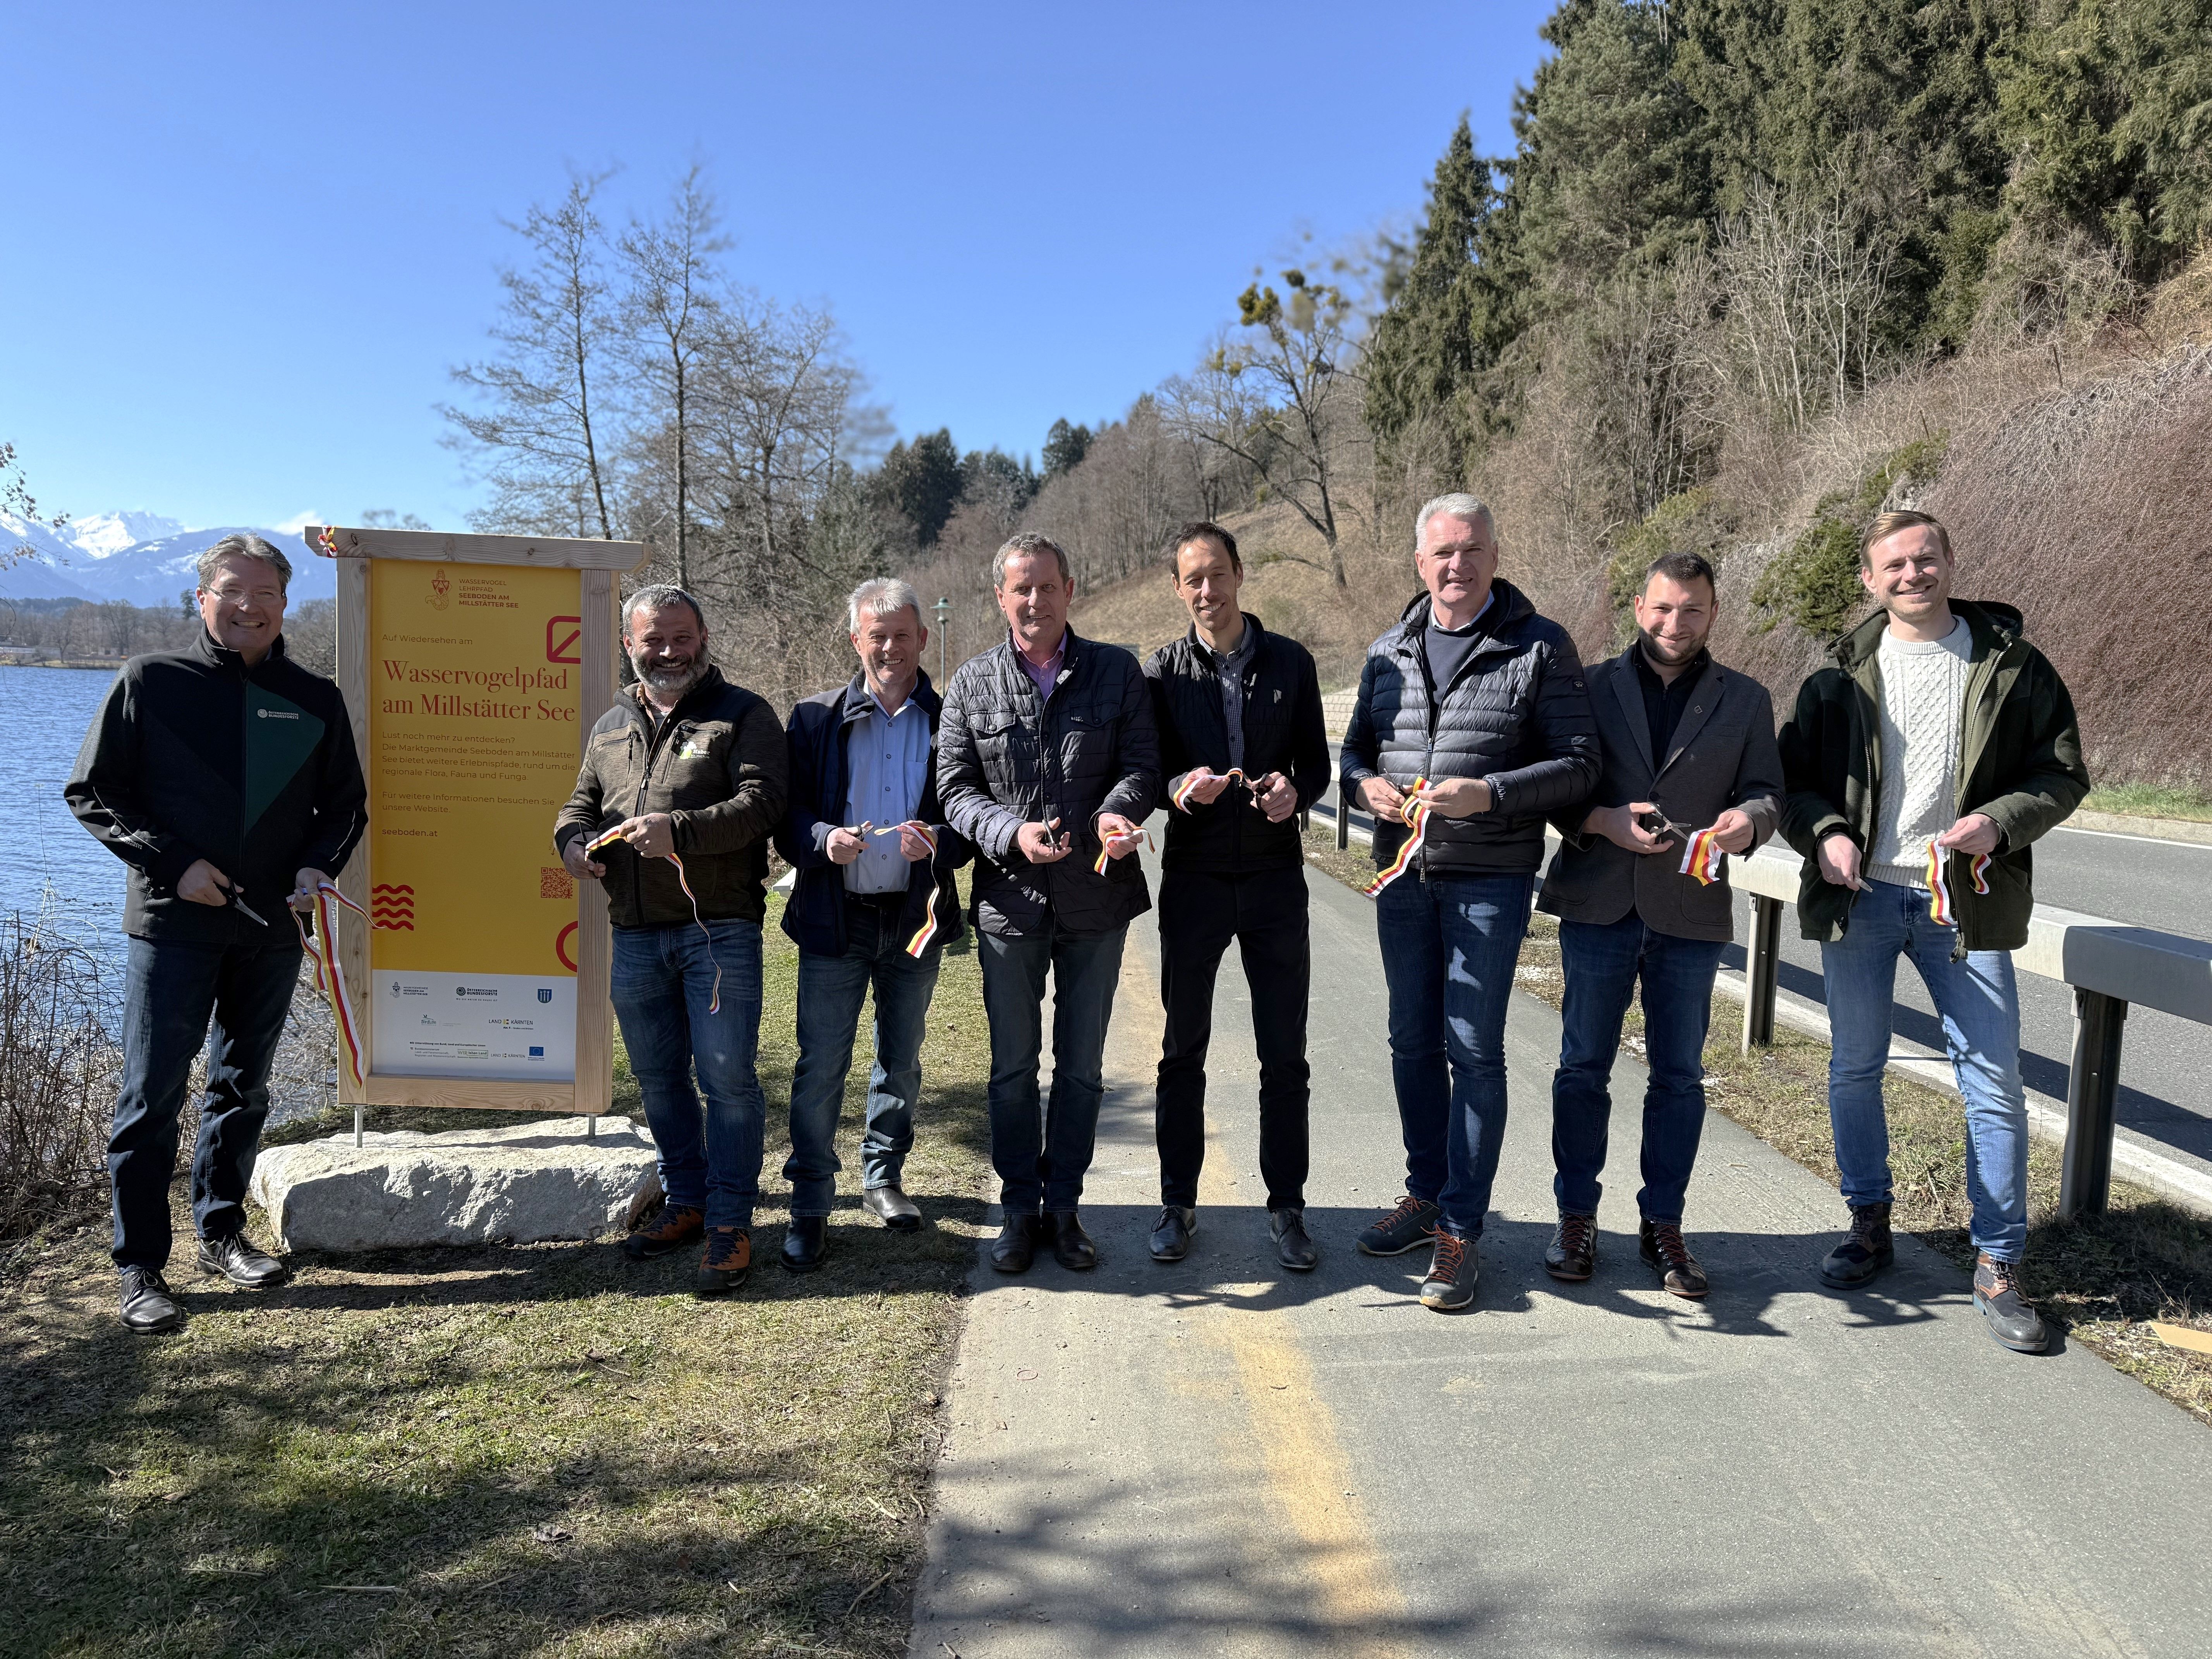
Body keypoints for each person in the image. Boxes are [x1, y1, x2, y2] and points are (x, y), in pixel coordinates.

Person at [1779, 510, 2088, 1354]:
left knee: (1992, 1080)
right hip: (1863, 900)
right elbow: (1795, 786)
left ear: (1950, 562)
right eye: (1895, 565)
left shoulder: (2012, 664)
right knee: (1853, 1066)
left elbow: (2061, 773)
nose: (1912, 574)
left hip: (1968, 898)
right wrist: (1826, 833)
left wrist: (1998, 821)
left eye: (1926, 559)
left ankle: (1998, 1262)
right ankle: (1870, 1222)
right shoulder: (1836, 678)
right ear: (1870, 582)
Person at [66, 534, 367, 1334]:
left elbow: (344, 809)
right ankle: (140, 1267)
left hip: (272, 924)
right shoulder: (150, 683)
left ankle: (222, 1231)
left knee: (243, 1087)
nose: (249, 606)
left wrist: (313, 871)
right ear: (202, 599)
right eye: (232, 591)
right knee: (151, 1095)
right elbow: (94, 793)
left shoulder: (316, 697)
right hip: (173, 924)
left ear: (284, 603)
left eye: (264, 593)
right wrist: (176, 866)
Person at [1340, 493, 1599, 1312]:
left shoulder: (1540, 647)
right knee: (1411, 1040)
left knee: (1473, 1050)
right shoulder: (1389, 649)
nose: (1458, 565)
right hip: (1401, 877)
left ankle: (1462, 1227)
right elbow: (1350, 755)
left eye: (1473, 550)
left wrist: (1487, 795)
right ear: (1421, 562)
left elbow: (1580, 764)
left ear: (1495, 556)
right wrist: (1367, 787)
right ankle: (1425, 1191)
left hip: (1489, 880)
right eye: (1443, 552)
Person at [1538, 551, 1783, 1298]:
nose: (1677, 623)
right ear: (1639, 609)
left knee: (1678, 1077)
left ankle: (1664, 1224)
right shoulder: (1589, 687)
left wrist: (1750, 820)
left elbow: (1769, 793)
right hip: (1598, 902)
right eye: (1664, 608)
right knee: (1583, 1067)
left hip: (1690, 907)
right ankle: (1575, 1216)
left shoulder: (1745, 698)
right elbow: (1551, 782)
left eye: (1694, 610)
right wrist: (1600, 821)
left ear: (1714, 614)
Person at [937, 531, 1160, 1274]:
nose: (1034, 601)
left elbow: (1143, 766)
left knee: (1082, 1067)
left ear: (1071, 590)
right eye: (1019, 588)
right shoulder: (971, 685)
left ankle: (1064, 1208)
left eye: (1046, 586)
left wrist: (1116, 814)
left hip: (1098, 900)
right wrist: (1010, 833)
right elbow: (955, 793)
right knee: (1011, 1069)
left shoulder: (1117, 672)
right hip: (1011, 904)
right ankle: (1016, 1211)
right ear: (1000, 597)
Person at [555, 585, 787, 1298]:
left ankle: (730, 1222)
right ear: (629, 643)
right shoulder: (611, 724)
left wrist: (679, 832)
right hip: (633, 934)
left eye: (681, 637)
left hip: (717, 931)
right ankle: (684, 1203)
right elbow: (580, 805)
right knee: (659, 1081)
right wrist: (570, 844)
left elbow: (763, 805)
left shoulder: (743, 713)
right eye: (653, 639)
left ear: (703, 636)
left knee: (727, 1081)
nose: (668, 651)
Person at [1141, 521, 1329, 1271]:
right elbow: (1146, 772)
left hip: (1276, 881)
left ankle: (1288, 1208)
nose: (1208, 591)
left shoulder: (1291, 662)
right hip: (1193, 881)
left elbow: (1314, 765)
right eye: (1193, 579)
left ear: (1241, 574)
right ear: (1179, 588)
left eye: (1218, 574)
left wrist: (1293, 791)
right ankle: (1175, 1203)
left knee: (1284, 1055)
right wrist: (1177, 788)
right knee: (1181, 1051)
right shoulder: (1160, 673)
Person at [774, 578, 968, 1271]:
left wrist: (940, 841)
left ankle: (883, 1179)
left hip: (912, 924)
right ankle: (809, 1205)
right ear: (856, 640)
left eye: (902, 635)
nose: (890, 647)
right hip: (836, 921)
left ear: (922, 638)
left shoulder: (952, 721)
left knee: (902, 1060)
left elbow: (970, 819)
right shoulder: (814, 718)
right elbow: (785, 816)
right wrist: (822, 837)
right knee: (820, 1065)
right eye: (875, 635)